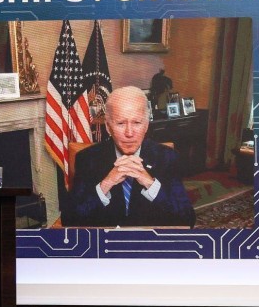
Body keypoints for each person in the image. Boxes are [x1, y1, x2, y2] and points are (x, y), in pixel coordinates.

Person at [62, 86, 195, 227]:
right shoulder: (88, 159)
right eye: (120, 123)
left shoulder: (167, 157)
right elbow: (69, 220)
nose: (129, 133)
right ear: (108, 127)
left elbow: (187, 219)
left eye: (137, 123)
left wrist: (150, 183)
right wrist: (106, 184)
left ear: (146, 126)